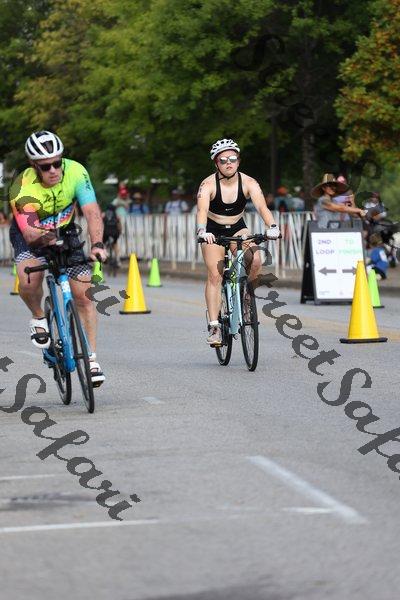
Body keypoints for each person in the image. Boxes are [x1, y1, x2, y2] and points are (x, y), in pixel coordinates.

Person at [9, 130, 107, 386]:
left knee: (84, 295)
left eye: (57, 163)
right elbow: (30, 232)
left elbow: (92, 212)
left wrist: (97, 245)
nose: (53, 170)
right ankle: (38, 316)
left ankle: (91, 359)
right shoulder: (21, 186)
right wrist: (47, 239)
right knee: (29, 279)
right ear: (34, 166)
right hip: (32, 235)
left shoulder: (76, 171)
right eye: (45, 166)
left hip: (65, 230)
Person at [196, 138, 280, 346]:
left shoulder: (249, 182)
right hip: (213, 231)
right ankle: (215, 326)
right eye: (223, 160)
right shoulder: (208, 184)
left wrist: (272, 226)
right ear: (216, 163)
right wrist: (202, 231)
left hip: (237, 227)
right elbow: (202, 210)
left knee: (256, 259)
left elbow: (262, 207)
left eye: (233, 159)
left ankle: (247, 299)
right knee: (215, 275)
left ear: (238, 161)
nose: (228, 163)